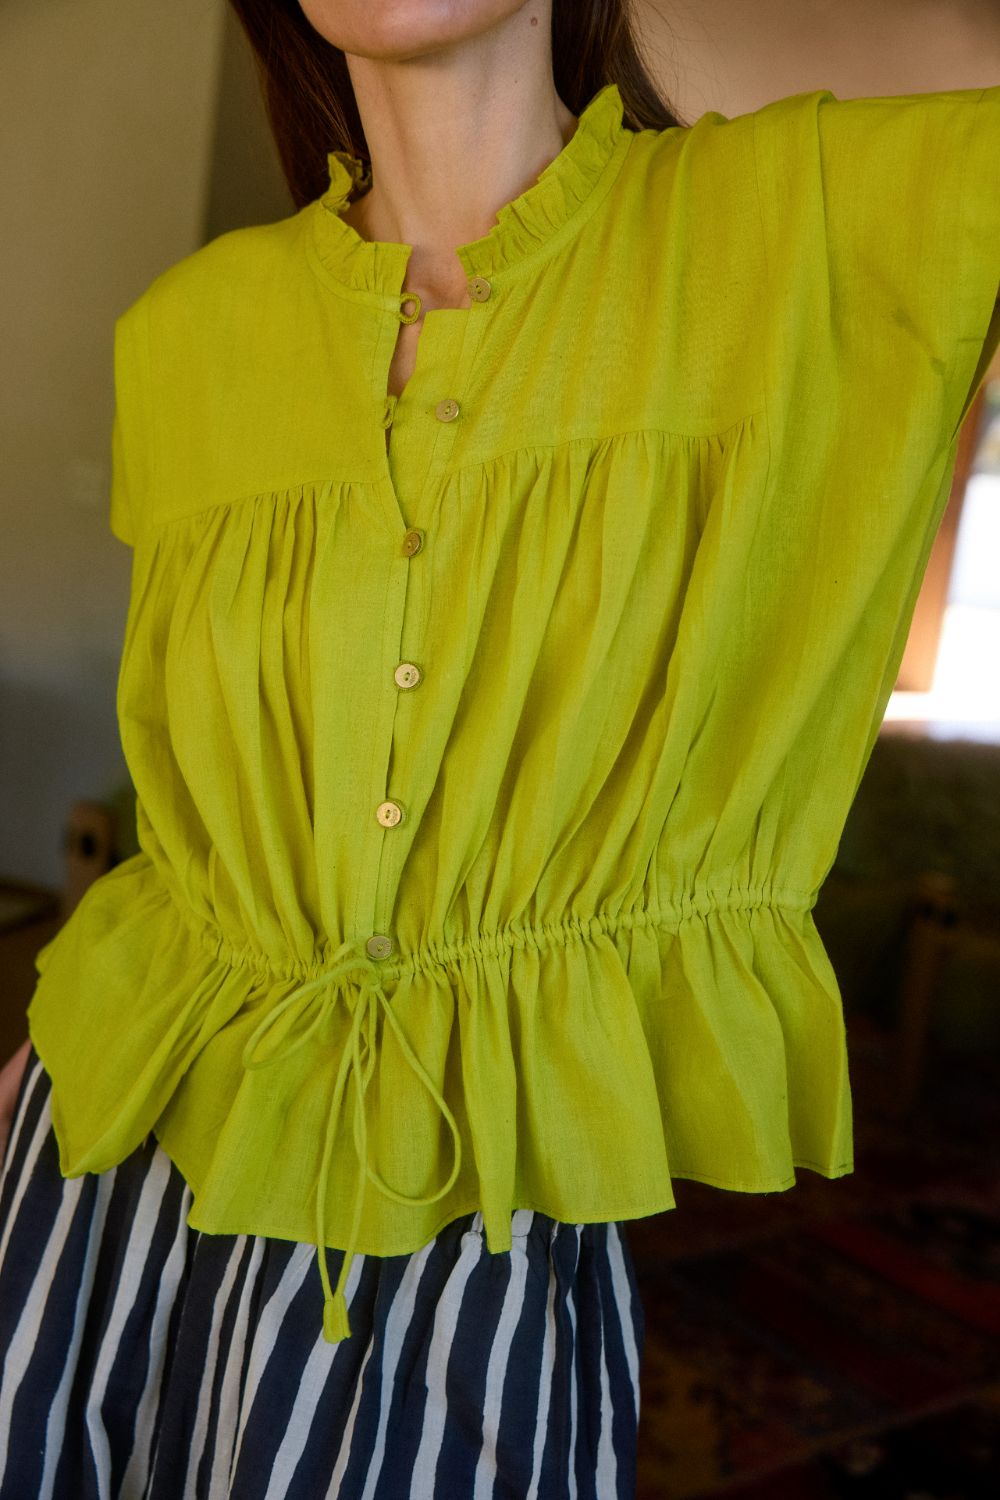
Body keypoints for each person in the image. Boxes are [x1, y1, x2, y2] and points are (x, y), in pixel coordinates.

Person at [1, 0, 998, 1495]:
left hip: (480, 1207)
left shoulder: (816, 222)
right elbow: (196, 810)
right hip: (99, 1157)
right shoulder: (187, 332)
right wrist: (48, 1059)